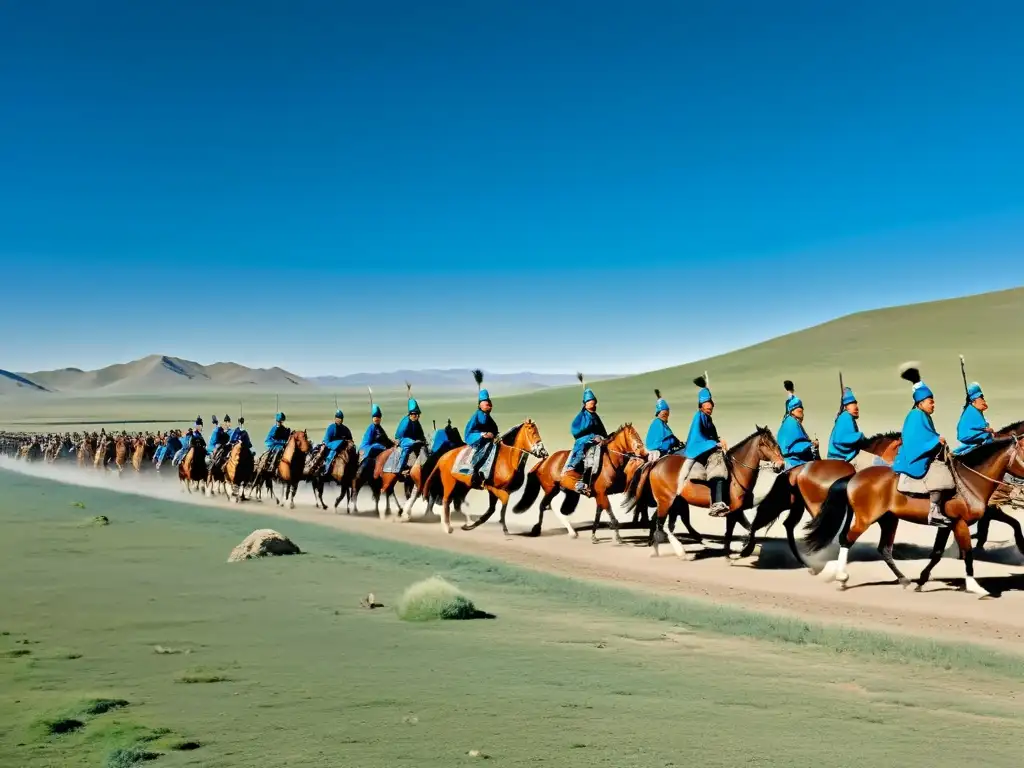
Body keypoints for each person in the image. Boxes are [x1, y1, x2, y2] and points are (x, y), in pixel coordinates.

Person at [892, 366, 955, 527]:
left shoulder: (921, 415)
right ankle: (934, 512)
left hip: (923, 453)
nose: (933, 405)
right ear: (920, 403)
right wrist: (935, 441)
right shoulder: (916, 415)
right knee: (940, 476)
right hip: (915, 458)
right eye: (930, 402)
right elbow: (915, 439)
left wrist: (936, 441)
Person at [681, 375, 730, 517]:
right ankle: (717, 502)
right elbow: (698, 437)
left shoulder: (707, 418)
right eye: (707, 405)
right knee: (717, 462)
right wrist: (715, 444)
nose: (710, 408)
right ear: (701, 405)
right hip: (698, 448)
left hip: (706, 446)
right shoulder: (699, 416)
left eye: (711, 406)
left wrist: (718, 440)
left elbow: (712, 436)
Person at [566, 384, 608, 494]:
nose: (593, 405)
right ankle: (575, 471)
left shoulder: (595, 415)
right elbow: (575, 430)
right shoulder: (581, 416)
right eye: (591, 403)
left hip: (597, 440)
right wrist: (592, 436)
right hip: (583, 440)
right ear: (585, 404)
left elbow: (601, 430)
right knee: (586, 455)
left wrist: (605, 438)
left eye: (594, 403)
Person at [827, 386, 878, 469]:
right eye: (852, 404)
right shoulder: (846, 416)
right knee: (878, 462)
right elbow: (841, 438)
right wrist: (860, 436)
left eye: (855, 404)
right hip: (846, 457)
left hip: (842, 457)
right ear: (846, 407)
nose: (856, 407)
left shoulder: (845, 417)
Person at [778, 381, 818, 469]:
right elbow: (795, 444)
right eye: (800, 412)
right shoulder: (791, 422)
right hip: (793, 460)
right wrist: (811, 444)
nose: (802, 415)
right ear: (792, 411)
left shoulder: (792, 421)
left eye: (803, 412)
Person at [465, 383, 499, 486]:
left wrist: (494, 435)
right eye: (485, 403)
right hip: (476, 439)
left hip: (489, 439)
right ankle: (474, 473)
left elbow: (494, 428)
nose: (487, 405)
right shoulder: (476, 416)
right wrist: (482, 434)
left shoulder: (488, 416)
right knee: (480, 453)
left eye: (488, 403)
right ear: (480, 404)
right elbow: (469, 431)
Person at [955, 382, 995, 455]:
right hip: (967, 437)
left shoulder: (974, 410)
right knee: (988, 436)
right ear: (973, 401)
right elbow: (981, 428)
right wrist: (987, 430)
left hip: (970, 437)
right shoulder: (971, 411)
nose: (984, 400)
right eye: (981, 398)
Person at [645, 389, 684, 459]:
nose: (665, 415)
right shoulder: (658, 423)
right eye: (664, 413)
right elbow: (667, 441)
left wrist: (677, 442)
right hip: (660, 451)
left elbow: (670, 437)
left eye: (666, 414)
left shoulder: (661, 423)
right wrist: (676, 442)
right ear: (658, 413)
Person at [394, 398, 426, 475]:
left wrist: (423, 440)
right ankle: (398, 469)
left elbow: (420, 433)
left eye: (417, 414)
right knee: (407, 447)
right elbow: (399, 434)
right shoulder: (405, 422)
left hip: (413, 439)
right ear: (410, 414)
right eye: (414, 414)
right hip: (403, 439)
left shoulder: (416, 422)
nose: (416, 416)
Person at [359, 403, 393, 473]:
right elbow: (368, 441)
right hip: (369, 448)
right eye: (375, 417)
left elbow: (386, 439)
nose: (376, 419)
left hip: (379, 448)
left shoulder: (380, 429)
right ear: (372, 418)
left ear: (380, 419)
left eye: (378, 417)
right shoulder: (371, 428)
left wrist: (393, 444)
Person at [322, 409, 353, 476]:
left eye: (341, 418)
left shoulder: (346, 429)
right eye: (338, 418)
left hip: (344, 447)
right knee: (331, 455)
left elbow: (350, 439)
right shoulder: (331, 427)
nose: (339, 420)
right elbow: (327, 440)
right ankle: (326, 468)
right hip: (333, 447)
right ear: (335, 418)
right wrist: (335, 445)